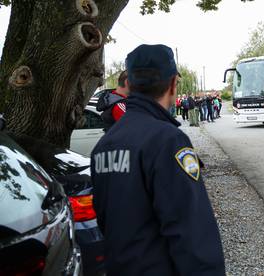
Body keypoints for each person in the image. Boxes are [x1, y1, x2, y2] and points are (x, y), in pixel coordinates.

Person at [91, 44, 225, 276]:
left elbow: (105, 219)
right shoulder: (168, 141)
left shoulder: (104, 145)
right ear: (173, 84)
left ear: (130, 85)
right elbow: (193, 232)